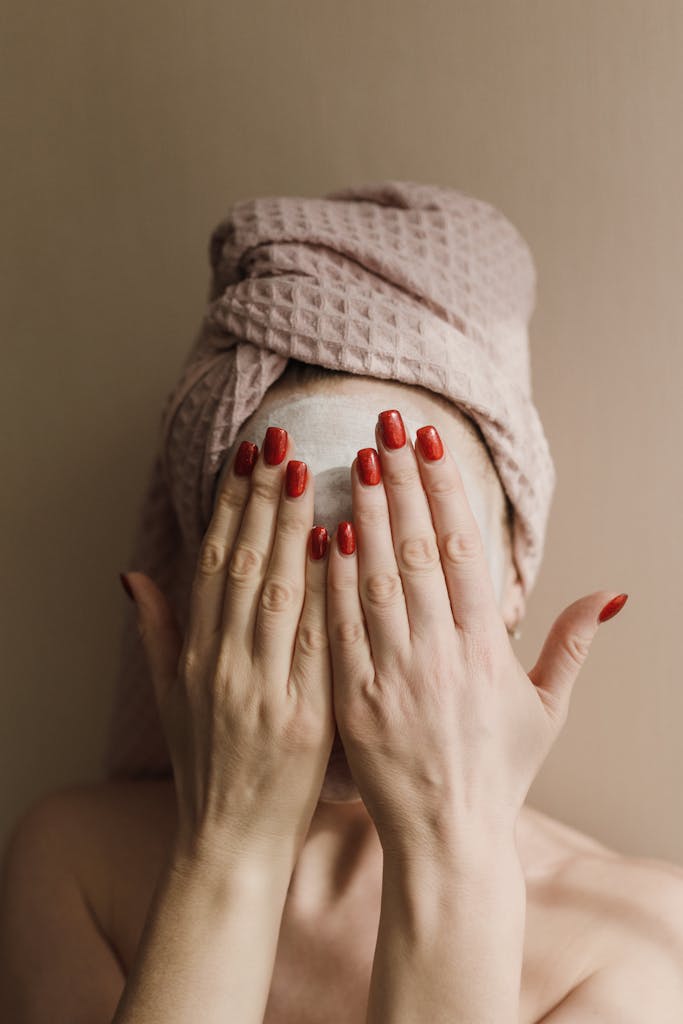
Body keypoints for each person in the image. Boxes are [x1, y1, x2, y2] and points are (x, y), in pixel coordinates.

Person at [2, 180, 683, 1021]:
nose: (344, 622)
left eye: (409, 560)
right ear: (206, 571)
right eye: (288, 547)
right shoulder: (75, 867)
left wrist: (451, 856)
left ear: (507, 578)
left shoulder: (639, 940)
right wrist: (227, 855)